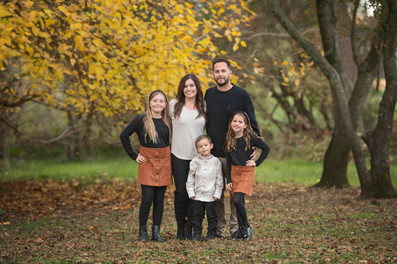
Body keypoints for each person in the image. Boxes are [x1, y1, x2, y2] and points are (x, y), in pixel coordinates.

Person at [204, 58, 261, 239]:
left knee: (236, 196)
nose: (220, 74)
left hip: (237, 156)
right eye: (217, 71)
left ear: (230, 73)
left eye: (223, 71)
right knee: (216, 194)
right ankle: (217, 229)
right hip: (214, 155)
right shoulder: (208, 94)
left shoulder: (241, 95)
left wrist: (256, 146)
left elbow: (252, 122)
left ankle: (236, 230)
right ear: (213, 74)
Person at [120, 90, 172, 242]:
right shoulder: (141, 119)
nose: (158, 103)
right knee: (147, 198)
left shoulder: (168, 120)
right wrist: (134, 155)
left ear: (165, 104)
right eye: (155, 100)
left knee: (160, 199)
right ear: (149, 102)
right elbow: (124, 135)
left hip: (164, 162)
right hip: (147, 161)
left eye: (161, 101)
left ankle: (156, 232)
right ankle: (143, 231)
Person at [169, 74, 206, 240]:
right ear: (181, 88)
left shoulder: (204, 106)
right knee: (181, 192)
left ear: (197, 87)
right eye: (186, 86)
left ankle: (191, 227)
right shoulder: (173, 105)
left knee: (195, 194)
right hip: (178, 155)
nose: (189, 89)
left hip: (198, 157)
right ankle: (181, 227)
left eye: (192, 85)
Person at [225, 111, 270, 240]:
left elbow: (266, 148)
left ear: (245, 125)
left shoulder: (250, 137)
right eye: (235, 121)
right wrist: (228, 179)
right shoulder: (229, 138)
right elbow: (228, 161)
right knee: (240, 202)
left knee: (237, 200)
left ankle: (246, 226)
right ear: (231, 123)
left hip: (246, 171)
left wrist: (256, 162)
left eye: (240, 122)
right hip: (234, 172)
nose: (237, 124)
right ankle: (240, 230)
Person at [186, 135, 223, 241]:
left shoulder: (216, 162)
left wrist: (217, 193)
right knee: (197, 216)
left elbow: (219, 179)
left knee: (212, 216)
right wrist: (191, 192)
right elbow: (190, 178)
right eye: (200, 146)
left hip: (211, 195)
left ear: (211, 146)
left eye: (206, 145)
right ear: (197, 149)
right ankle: (197, 234)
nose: (203, 148)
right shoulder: (194, 162)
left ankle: (212, 234)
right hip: (197, 195)